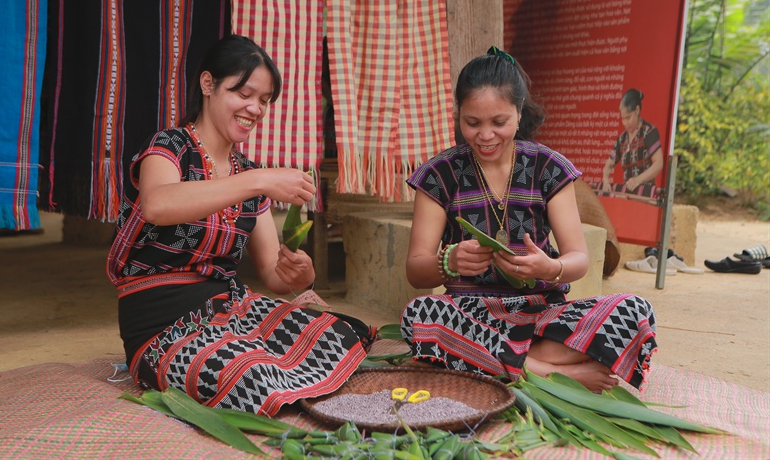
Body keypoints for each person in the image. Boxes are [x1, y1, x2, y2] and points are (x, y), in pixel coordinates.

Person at [107, 35, 370, 416]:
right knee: (248, 374)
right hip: (159, 328)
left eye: (264, 100)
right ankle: (260, 371)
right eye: (244, 93)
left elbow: (273, 275)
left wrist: (300, 275)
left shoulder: (247, 173)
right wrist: (258, 180)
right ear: (208, 85)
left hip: (229, 312)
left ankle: (266, 366)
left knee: (342, 334)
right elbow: (158, 204)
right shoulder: (169, 147)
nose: (256, 108)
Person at [401, 48, 657, 392]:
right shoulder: (438, 174)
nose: (485, 136)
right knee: (420, 315)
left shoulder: (548, 168)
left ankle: (502, 361)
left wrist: (549, 268)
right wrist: (450, 261)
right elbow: (416, 271)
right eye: (472, 123)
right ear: (458, 114)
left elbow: (578, 259)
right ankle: (547, 370)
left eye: (499, 122)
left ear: (519, 115)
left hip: (541, 316)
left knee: (634, 310)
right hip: (469, 316)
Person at [601, 89, 664, 196]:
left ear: (637, 110)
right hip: (627, 195)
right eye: (623, 118)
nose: (625, 123)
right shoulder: (622, 139)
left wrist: (638, 180)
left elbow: (658, 163)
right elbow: (609, 164)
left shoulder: (648, 132)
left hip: (646, 194)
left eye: (628, 118)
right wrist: (605, 180)